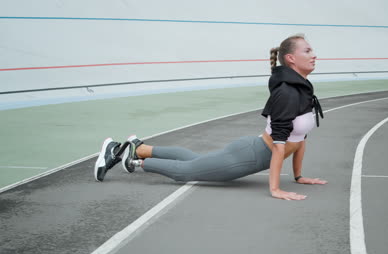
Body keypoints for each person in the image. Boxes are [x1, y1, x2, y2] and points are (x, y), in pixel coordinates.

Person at [94, 34, 326, 200]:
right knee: (185, 172)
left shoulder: (302, 88)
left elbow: (300, 138)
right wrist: (275, 189)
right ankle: (124, 154)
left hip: (251, 151)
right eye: (307, 51)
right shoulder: (287, 93)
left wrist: (299, 176)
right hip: (249, 157)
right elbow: (279, 146)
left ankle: (140, 147)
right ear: (291, 59)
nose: (314, 55)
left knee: (193, 160)